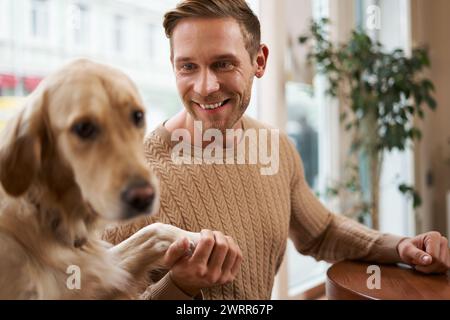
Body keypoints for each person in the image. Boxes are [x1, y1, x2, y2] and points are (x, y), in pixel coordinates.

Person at [102, 0, 450, 300]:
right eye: (188, 67)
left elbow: (322, 232)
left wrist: (400, 247)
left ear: (259, 60)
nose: (205, 87)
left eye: (223, 63)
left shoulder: (276, 148)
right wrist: (180, 286)